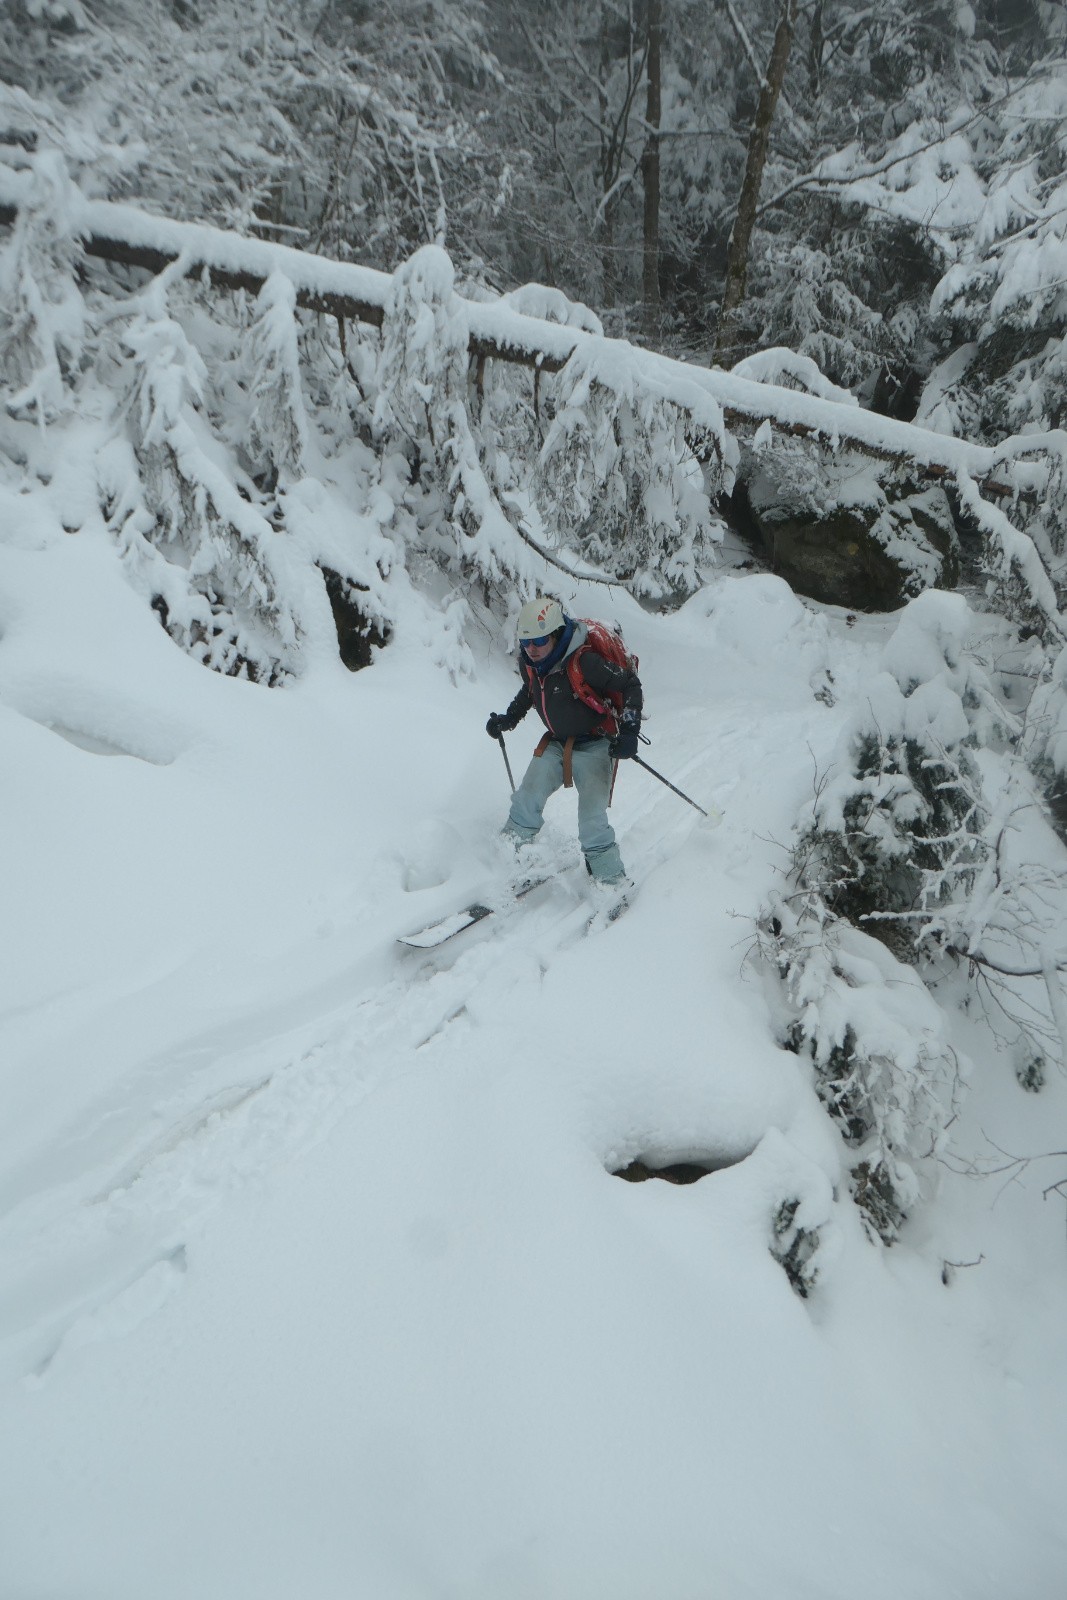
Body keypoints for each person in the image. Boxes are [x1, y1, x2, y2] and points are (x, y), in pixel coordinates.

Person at [485, 597, 643, 887]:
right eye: (525, 642)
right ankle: (505, 861)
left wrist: (630, 731)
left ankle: (610, 880)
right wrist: (508, 719)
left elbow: (630, 685)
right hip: (556, 743)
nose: (531, 649)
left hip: (596, 744)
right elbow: (530, 691)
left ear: (556, 635)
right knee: (527, 798)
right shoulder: (533, 664)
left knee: (591, 820)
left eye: (539, 641)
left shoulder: (585, 662)